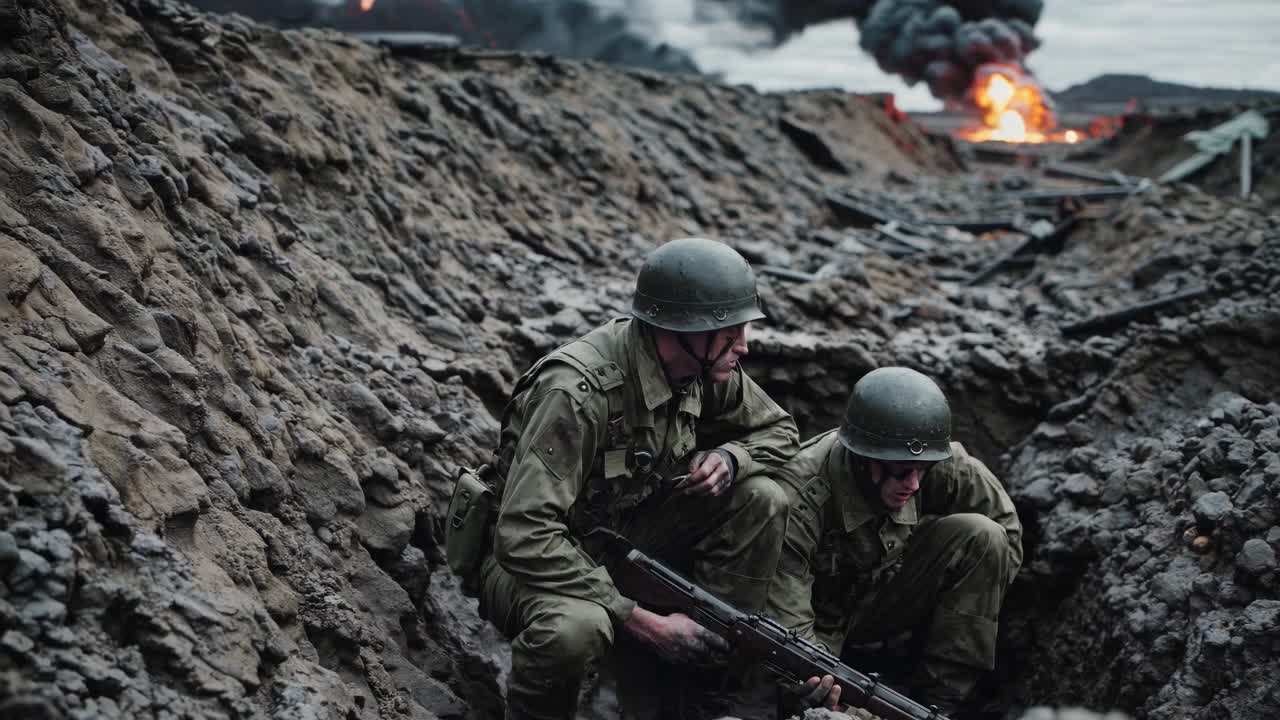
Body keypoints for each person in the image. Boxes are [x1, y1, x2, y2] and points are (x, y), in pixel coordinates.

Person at [471, 237, 799, 720]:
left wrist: (731, 458)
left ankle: (701, 683)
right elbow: (523, 533)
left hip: (621, 537)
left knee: (761, 497)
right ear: (685, 330)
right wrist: (637, 618)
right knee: (574, 629)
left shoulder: (698, 366)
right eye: (730, 332)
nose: (744, 346)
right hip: (529, 560)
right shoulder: (577, 392)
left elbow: (781, 430)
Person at [766, 366, 1023, 716]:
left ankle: (939, 705)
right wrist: (830, 690)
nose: (914, 484)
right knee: (804, 691)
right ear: (864, 456)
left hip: (879, 598)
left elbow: (1007, 535)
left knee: (985, 537)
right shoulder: (797, 499)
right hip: (815, 619)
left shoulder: (928, 456)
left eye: (922, 469)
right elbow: (788, 630)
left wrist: (958, 608)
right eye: (901, 470)